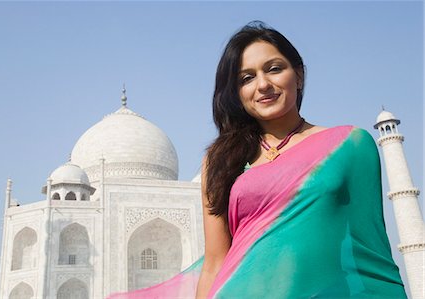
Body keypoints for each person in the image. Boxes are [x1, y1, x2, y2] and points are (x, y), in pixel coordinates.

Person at [108, 21, 407, 299]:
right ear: (237, 93)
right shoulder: (221, 159)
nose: (262, 84)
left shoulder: (350, 145)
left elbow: (372, 250)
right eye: (247, 78)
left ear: (298, 74)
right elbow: (215, 262)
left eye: (274, 69)